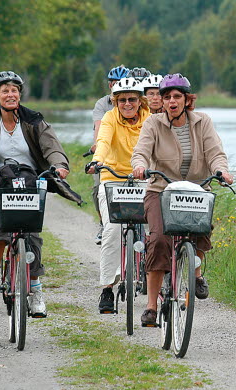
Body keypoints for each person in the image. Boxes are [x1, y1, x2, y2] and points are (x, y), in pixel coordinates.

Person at [0, 71, 80, 317]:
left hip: (30, 181)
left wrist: (60, 165)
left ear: (20, 94)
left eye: (14, 90)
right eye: (5, 91)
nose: (11, 94)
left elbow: (52, 147)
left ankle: (36, 290)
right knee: (0, 210)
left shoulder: (34, 121)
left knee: (32, 232)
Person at [131, 73, 234, 327]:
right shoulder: (153, 123)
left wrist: (222, 171)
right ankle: (152, 306)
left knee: (201, 228)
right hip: (161, 189)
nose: (172, 101)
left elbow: (215, 153)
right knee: (158, 240)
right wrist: (140, 166)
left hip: (196, 188)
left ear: (187, 100)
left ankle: (196, 274)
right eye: (167, 97)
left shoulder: (203, 122)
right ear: (162, 102)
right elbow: (141, 151)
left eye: (177, 96)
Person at [86, 77, 151, 313]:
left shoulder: (150, 120)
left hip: (143, 178)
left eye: (132, 99)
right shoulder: (110, 118)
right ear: (115, 101)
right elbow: (103, 141)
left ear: (140, 101)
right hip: (112, 178)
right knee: (112, 230)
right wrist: (97, 161)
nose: (127, 104)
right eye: (122, 100)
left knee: (156, 229)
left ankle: (159, 282)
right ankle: (106, 289)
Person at [90, 65, 130, 245]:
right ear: (109, 85)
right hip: (106, 153)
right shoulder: (103, 104)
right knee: (97, 189)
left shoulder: (135, 102)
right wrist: (97, 147)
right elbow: (100, 127)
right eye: (114, 83)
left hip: (129, 156)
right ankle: (103, 223)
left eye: (120, 83)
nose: (117, 86)